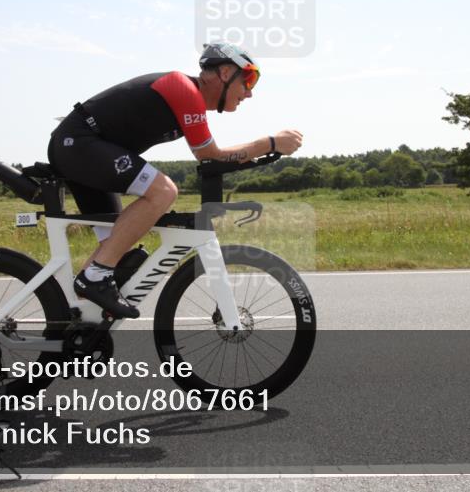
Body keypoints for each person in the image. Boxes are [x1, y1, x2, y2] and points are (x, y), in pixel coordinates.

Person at [47, 42, 303, 319]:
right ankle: (95, 278)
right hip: (79, 145)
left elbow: (211, 160)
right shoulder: (183, 89)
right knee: (163, 191)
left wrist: (266, 150)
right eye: (249, 80)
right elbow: (209, 154)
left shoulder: (190, 101)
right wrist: (270, 142)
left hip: (86, 149)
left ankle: (72, 323)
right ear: (226, 72)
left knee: (114, 248)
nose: (250, 93)